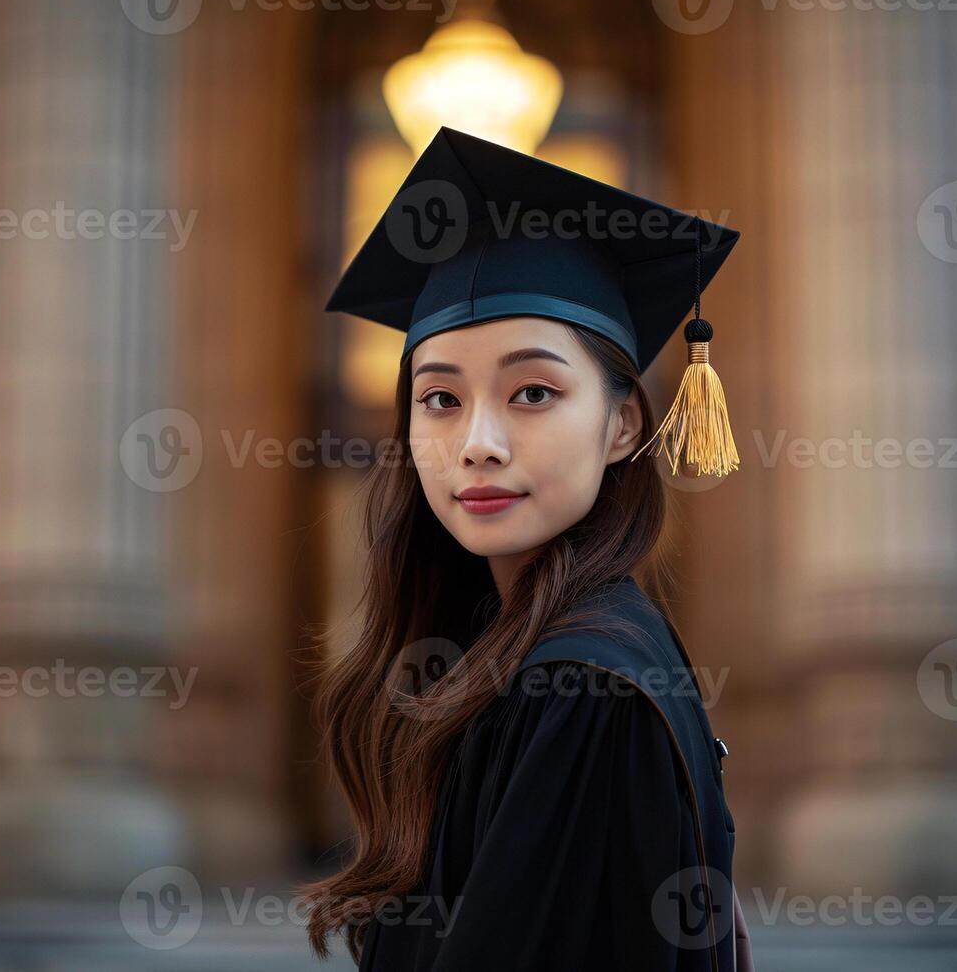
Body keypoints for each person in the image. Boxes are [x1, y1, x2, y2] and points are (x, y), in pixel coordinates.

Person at [299, 126, 752, 971]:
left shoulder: (578, 689)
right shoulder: (536, 653)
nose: (478, 442)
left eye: (533, 392)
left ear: (621, 426)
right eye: (439, 398)